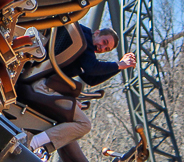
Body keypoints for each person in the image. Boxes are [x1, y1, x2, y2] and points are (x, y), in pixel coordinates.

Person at [28, 25, 136, 159]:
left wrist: (118, 68)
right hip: (42, 85)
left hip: (44, 84)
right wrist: (118, 65)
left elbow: (90, 78)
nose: (101, 48)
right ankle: (33, 144)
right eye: (104, 42)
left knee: (69, 127)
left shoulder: (81, 48)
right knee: (84, 125)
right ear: (96, 33)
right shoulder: (83, 39)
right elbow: (92, 68)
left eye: (106, 49)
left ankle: (42, 148)